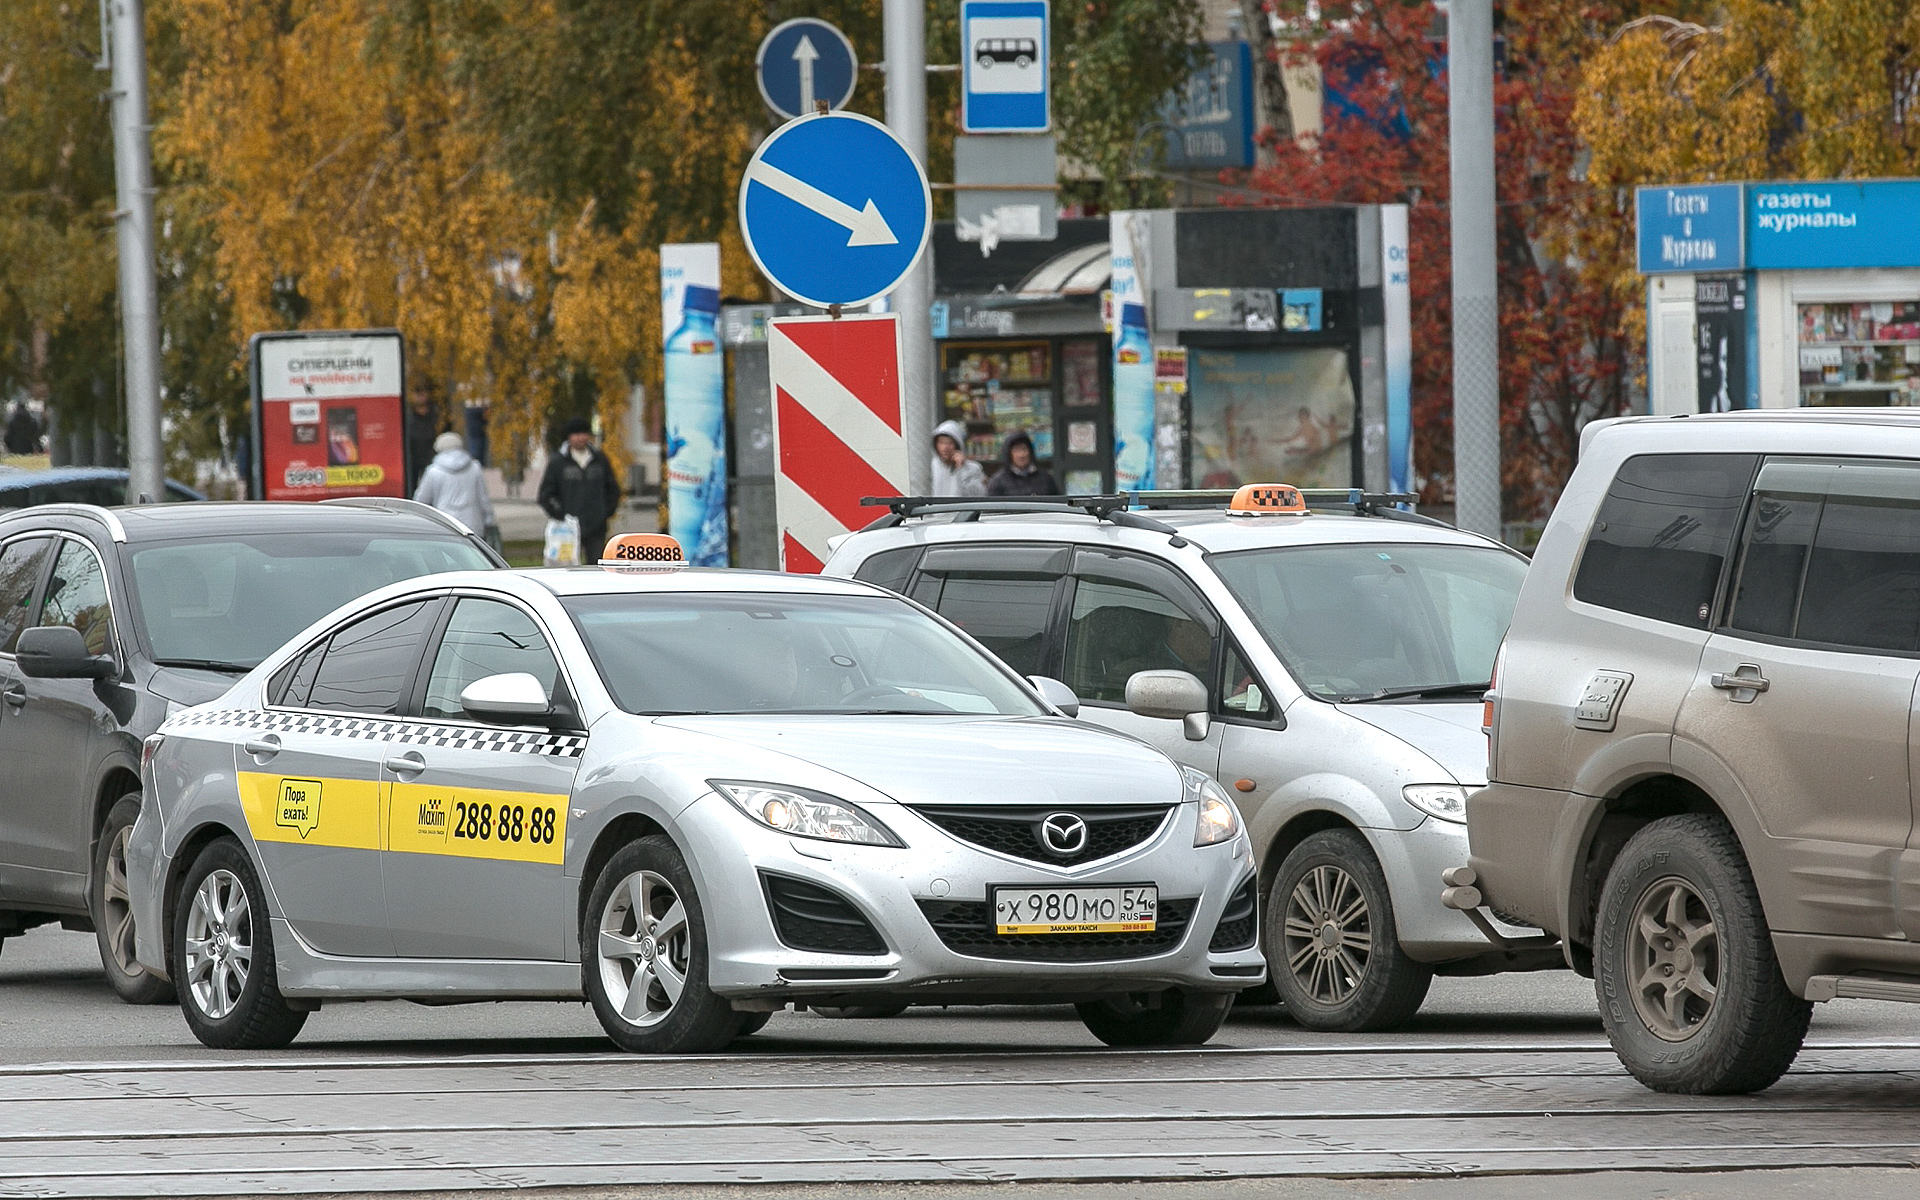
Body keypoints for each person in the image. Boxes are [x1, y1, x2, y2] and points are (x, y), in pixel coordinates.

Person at [537, 417, 622, 557]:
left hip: (596, 526)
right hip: (566, 528)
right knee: (567, 567)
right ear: (568, 437)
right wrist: (560, 514)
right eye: (576, 434)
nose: (580, 438)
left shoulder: (599, 460)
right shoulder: (558, 463)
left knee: (596, 567)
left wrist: (605, 512)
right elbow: (546, 493)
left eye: (584, 434)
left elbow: (612, 489)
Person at [412, 431, 495, 539]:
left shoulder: (433, 471)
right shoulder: (475, 468)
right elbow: (483, 497)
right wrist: (489, 519)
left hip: (445, 523)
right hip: (472, 522)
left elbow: (421, 500)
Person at [986, 431, 1060, 497]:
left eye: (1024, 449)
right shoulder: (998, 482)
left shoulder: (1045, 478)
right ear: (1009, 454)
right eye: (1016, 450)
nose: (1021, 455)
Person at [930, 419, 986, 498]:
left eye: (949, 443)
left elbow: (979, 495)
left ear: (957, 444)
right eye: (941, 443)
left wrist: (962, 469)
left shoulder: (973, 468)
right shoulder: (931, 466)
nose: (945, 447)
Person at [405, 387, 440, 493]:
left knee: (429, 485)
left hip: (428, 456)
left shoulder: (434, 416)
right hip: (413, 457)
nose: (421, 398)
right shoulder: (410, 418)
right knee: (412, 484)